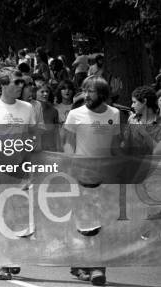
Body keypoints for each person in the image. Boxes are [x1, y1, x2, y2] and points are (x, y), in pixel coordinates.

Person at [0, 68, 37, 281]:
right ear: (2, 85)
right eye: (16, 82)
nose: (21, 86)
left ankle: (14, 256)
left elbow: (33, 136)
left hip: (20, 170)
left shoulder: (28, 108)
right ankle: (4, 262)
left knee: (18, 215)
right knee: (0, 216)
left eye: (22, 83)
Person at [63, 76, 121, 286]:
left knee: (100, 223)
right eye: (84, 90)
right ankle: (87, 265)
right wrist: (72, 167)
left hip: (105, 177)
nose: (86, 95)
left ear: (103, 94)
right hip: (82, 176)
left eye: (91, 91)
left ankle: (94, 267)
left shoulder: (114, 114)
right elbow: (68, 144)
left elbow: (114, 145)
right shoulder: (75, 114)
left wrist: (123, 167)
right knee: (85, 223)